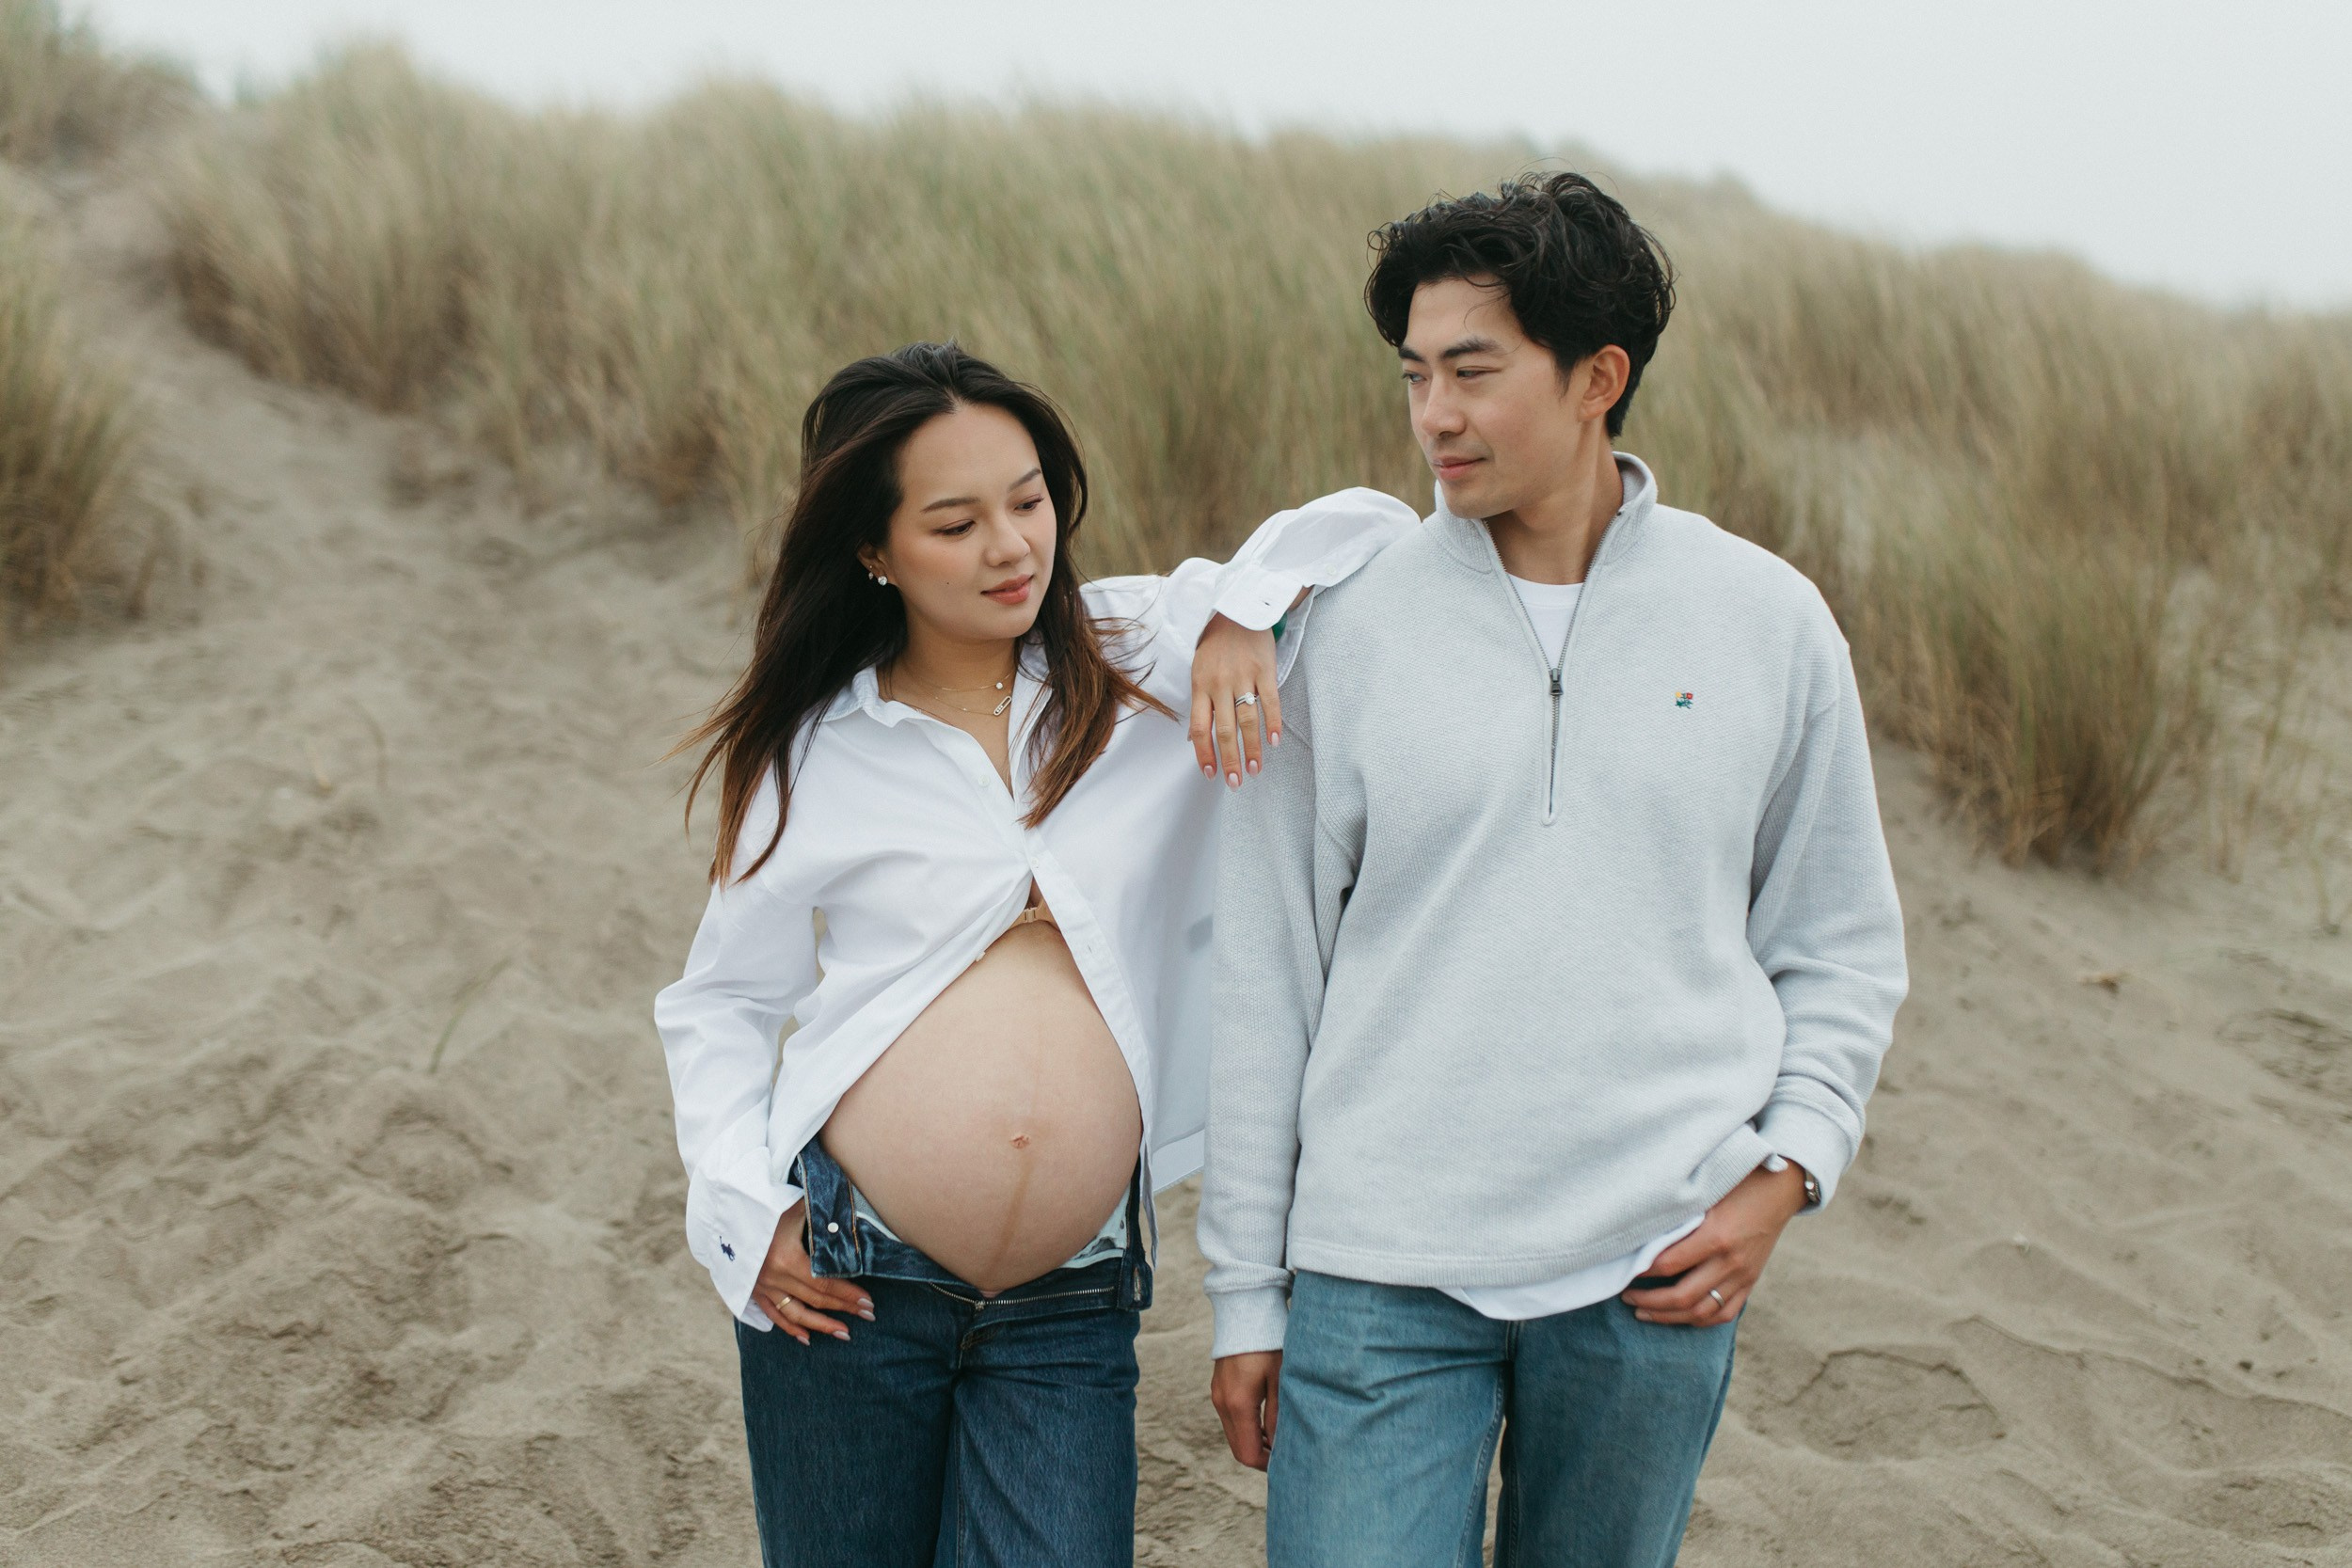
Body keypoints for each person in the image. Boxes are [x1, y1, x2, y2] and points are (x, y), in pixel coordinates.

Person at [1198, 173, 1910, 1566]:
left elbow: (1837, 942)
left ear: (1599, 377)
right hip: (1378, 1272)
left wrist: (1789, 1172)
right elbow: (1266, 971)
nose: (1434, 417)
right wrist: (1245, 1294)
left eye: (1473, 371)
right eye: (1413, 375)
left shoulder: (1766, 620)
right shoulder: (1338, 630)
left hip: (1654, 1262)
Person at [653, 341, 1413, 1568]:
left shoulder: (1137, 654)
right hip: (849, 1281)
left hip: (1071, 1300)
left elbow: (1374, 526)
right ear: (873, 550)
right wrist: (745, 1216)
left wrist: (1241, 610)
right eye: (955, 522)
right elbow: (723, 1003)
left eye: (1029, 499)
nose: (1012, 545)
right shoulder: (814, 751)